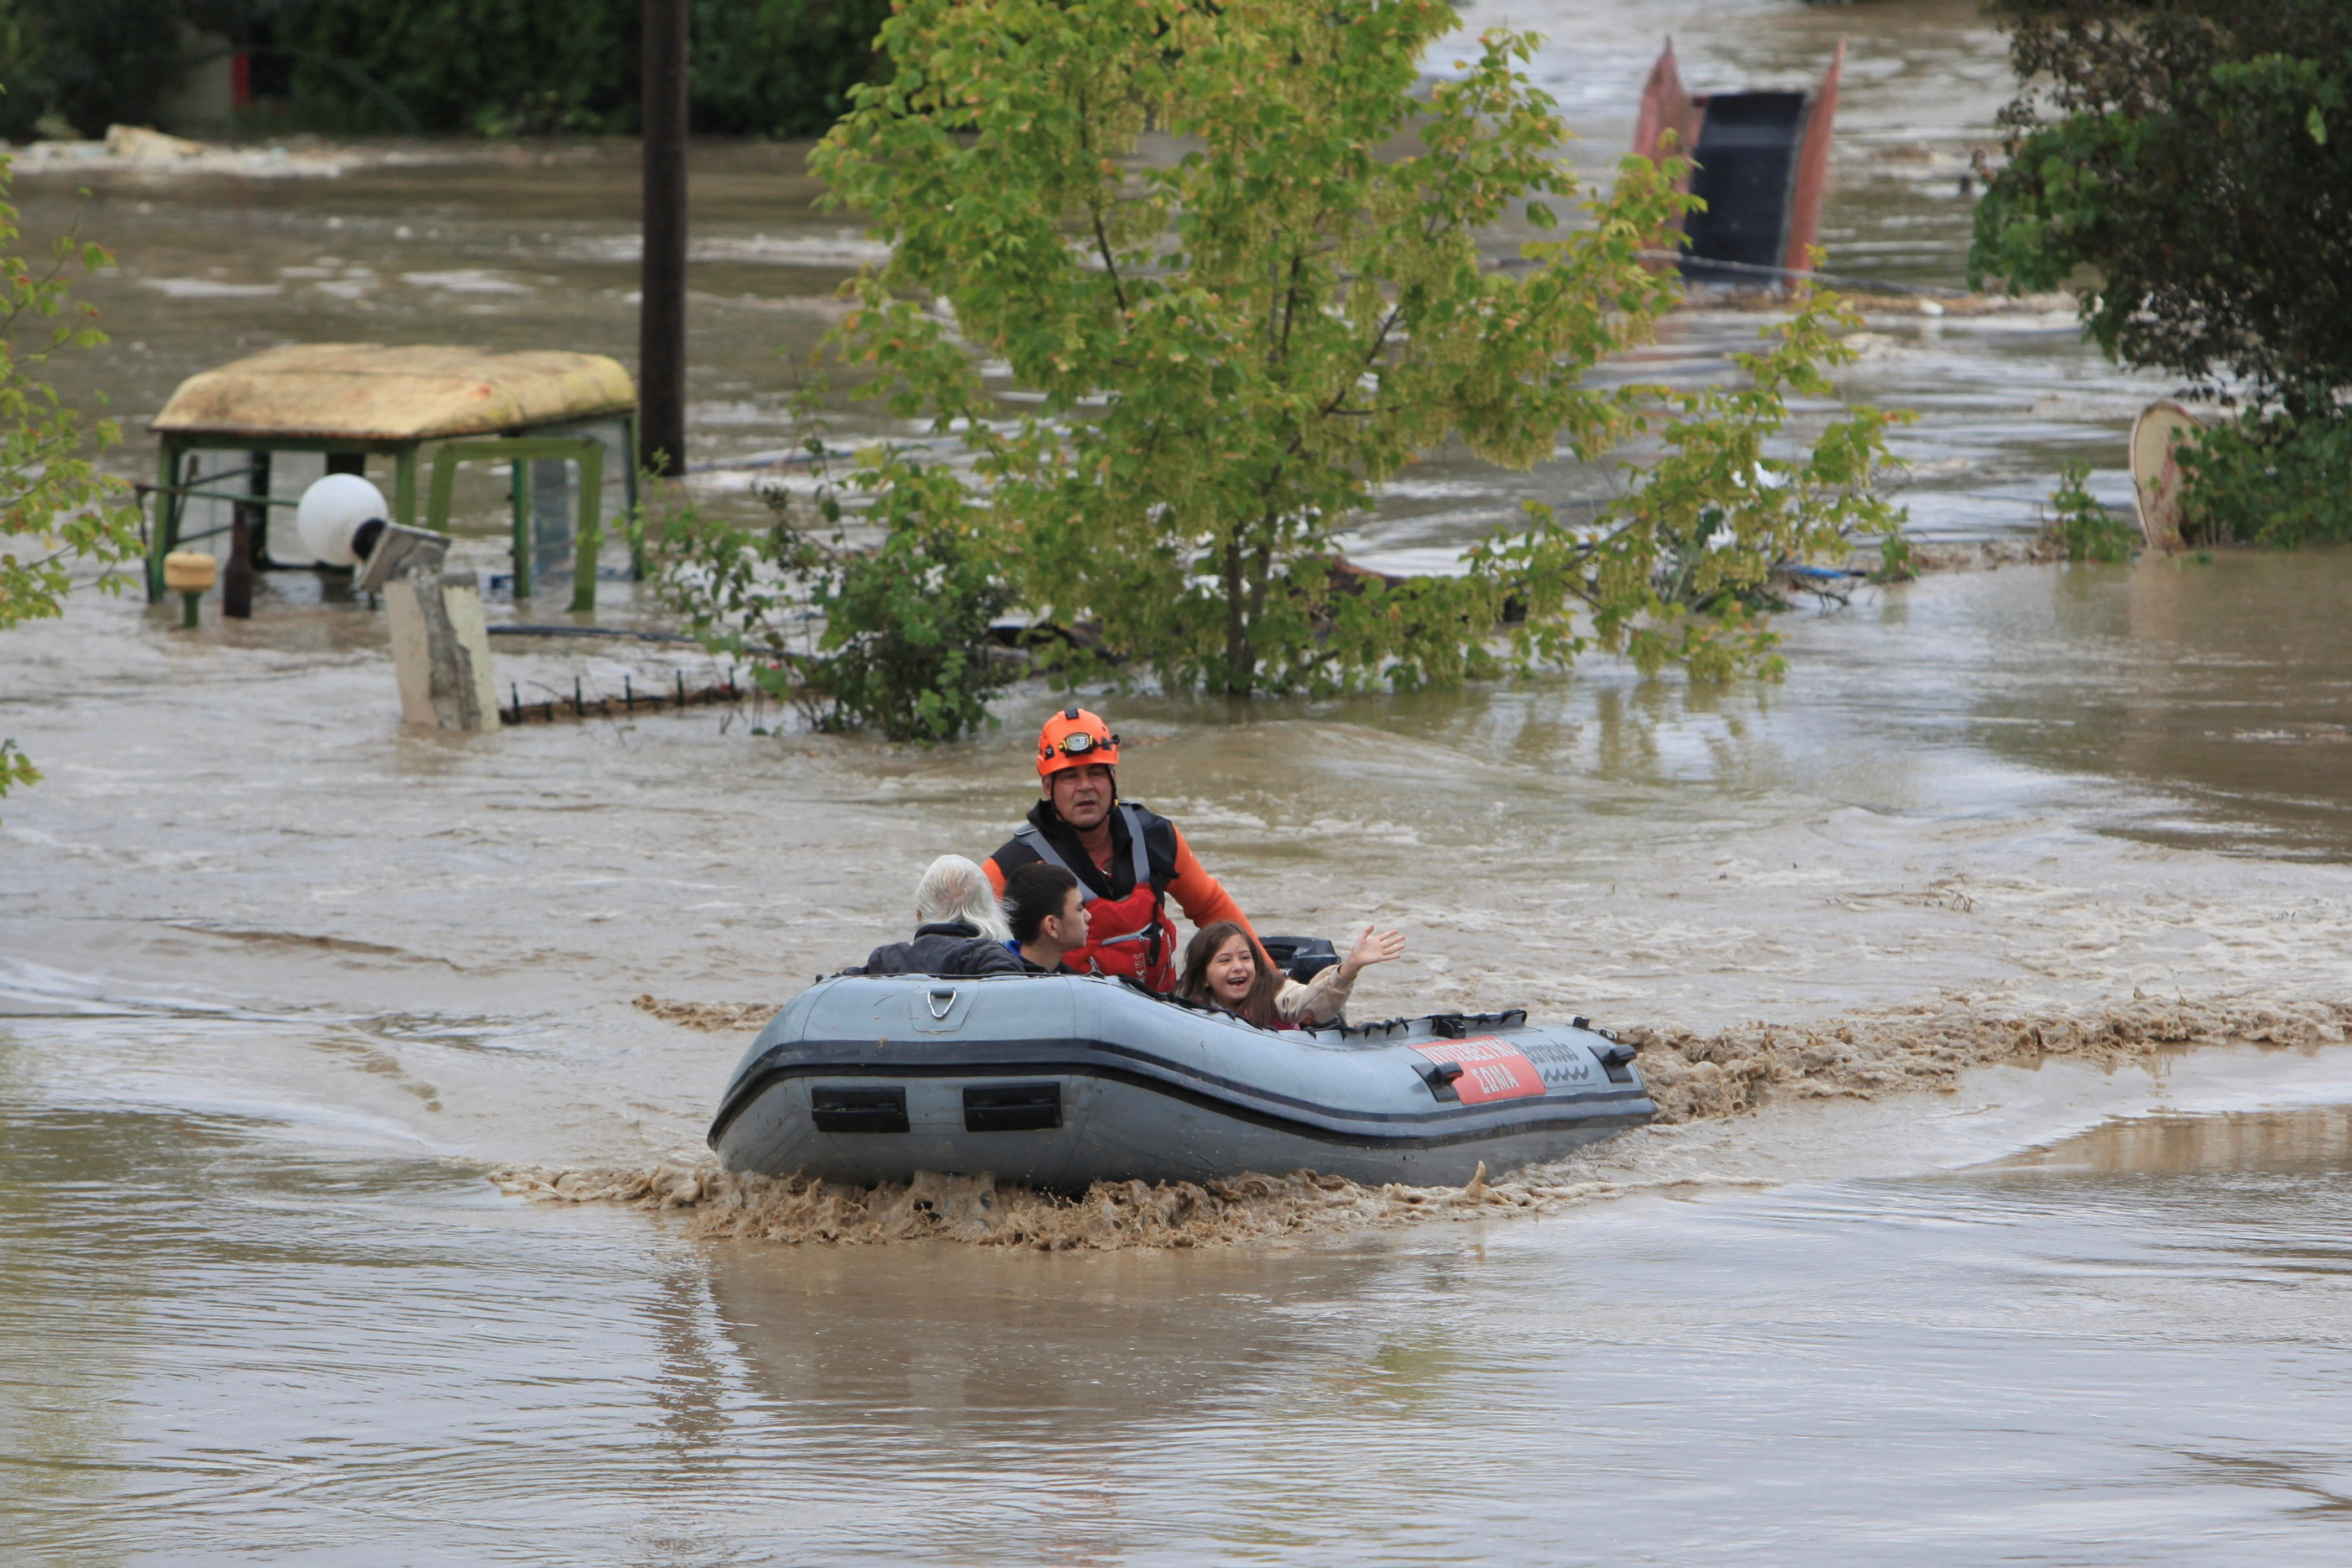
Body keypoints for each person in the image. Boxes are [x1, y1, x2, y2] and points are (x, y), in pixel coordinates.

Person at [984, 708, 1253, 991]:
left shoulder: (1156, 837)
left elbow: (1211, 908)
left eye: (1096, 773)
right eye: (1070, 777)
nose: (1085, 787)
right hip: (1069, 1016)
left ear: (1113, 778)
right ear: (1048, 787)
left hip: (1162, 1011)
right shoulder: (1013, 864)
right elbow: (966, 941)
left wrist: (1272, 984)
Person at [1176, 920, 1407, 1030]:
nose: (1238, 967)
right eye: (1225, 960)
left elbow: (1312, 1000)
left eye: (1245, 958)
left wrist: (1350, 967)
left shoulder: (1276, 993)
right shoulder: (1190, 1005)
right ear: (1204, 976)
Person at [853, 855, 1022, 977]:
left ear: (919, 915)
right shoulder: (998, 963)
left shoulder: (885, 961)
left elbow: (831, 989)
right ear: (989, 912)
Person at [1001, 860, 1090, 975]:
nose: (1088, 916)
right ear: (1052, 926)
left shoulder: (996, 975)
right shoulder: (1005, 983)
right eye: (1080, 908)